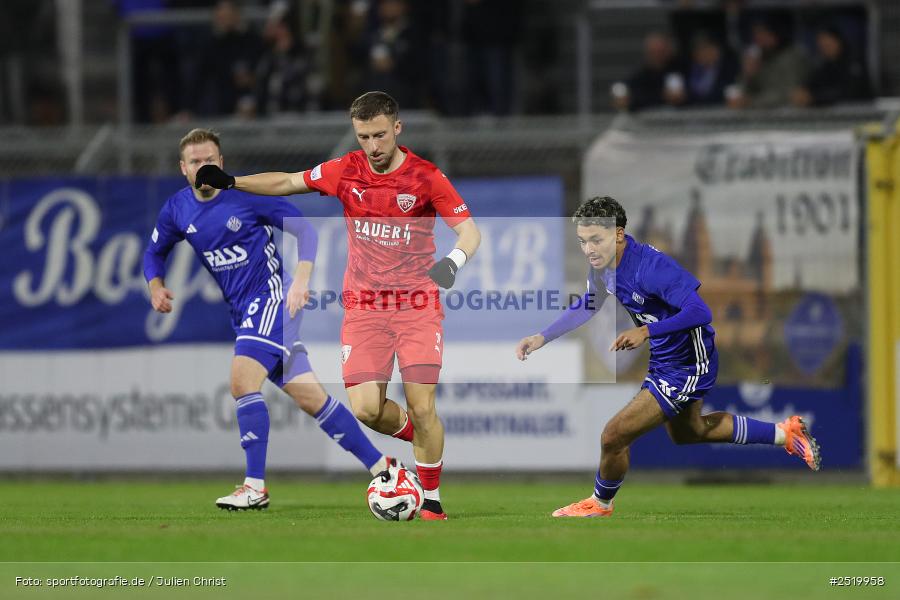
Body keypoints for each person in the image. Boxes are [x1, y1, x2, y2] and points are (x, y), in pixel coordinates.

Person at [192, 92, 481, 520]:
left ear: (397, 128)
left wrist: (451, 264)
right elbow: (287, 182)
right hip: (364, 309)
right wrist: (233, 182)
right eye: (364, 136)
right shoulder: (346, 170)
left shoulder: (426, 177)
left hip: (416, 306)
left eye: (380, 135)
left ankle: (432, 500)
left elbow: (470, 233)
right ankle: (421, 437)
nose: (373, 146)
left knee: (423, 406)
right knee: (366, 409)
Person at [143, 128, 401, 511]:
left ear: (221, 162)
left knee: (241, 382)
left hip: (270, 301)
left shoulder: (246, 196)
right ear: (184, 168)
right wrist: (156, 286)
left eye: (210, 160)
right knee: (313, 399)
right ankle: (385, 468)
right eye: (196, 161)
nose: (203, 166)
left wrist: (302, 278)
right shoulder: (177, 209)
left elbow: (303, 229)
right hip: (243, 312)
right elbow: (154, 252)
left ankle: (254, 487)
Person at [515, 196, 820, 518]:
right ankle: (787, 434)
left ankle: (600, 503)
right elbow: (589, 304)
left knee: (614, 435)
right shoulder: (603, 266)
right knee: (690, 432)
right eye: (582, 241)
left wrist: (646, 332)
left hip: (689, 362)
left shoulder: (651, 268)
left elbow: (701, 312)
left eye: (596, 239)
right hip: (664, 359)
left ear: (618, 234)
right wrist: (542, 337)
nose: (589, 249)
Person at [790, 26, 869, 108]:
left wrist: (815, 98)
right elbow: (812, 83)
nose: (825, 48)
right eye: (821, 45)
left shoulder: (854, 61)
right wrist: (803, 93)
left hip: (862, 110)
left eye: (828, 44)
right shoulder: (825, 65)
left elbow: (848, 92)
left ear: (838, 41)